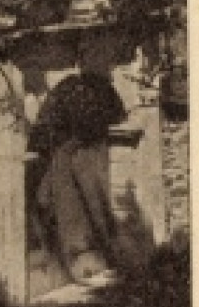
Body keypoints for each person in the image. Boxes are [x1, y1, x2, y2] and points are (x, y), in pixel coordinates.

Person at [28, 70, 127, 284]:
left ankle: (90, 263)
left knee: (80, 208)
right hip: (69, 157)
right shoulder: (64, 153)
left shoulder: (70, 152)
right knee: (75, 208)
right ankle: (87, 264)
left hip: (73, 157)